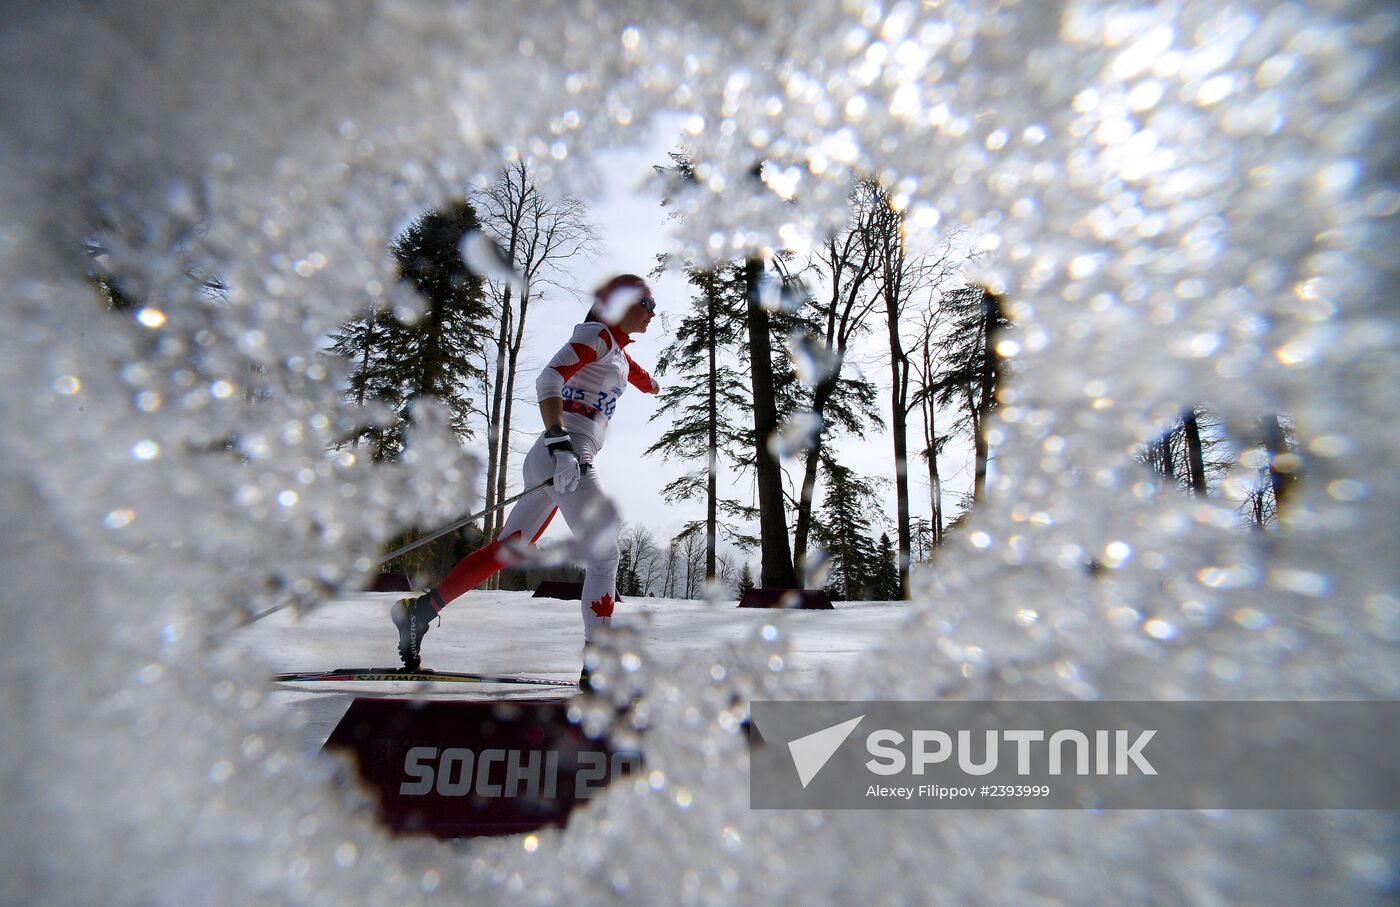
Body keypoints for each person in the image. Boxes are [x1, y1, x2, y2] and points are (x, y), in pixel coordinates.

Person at [391, 274, 660, 687]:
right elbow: (548, 378)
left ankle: (421, 613)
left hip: (555, 459)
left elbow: (633, 373)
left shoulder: (616, 352)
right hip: (567, 453)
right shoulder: (597, 337)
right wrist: (560, 442)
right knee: (605, 554)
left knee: (507, 550)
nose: (652, 315)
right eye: (648, 304)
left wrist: (651, 384)